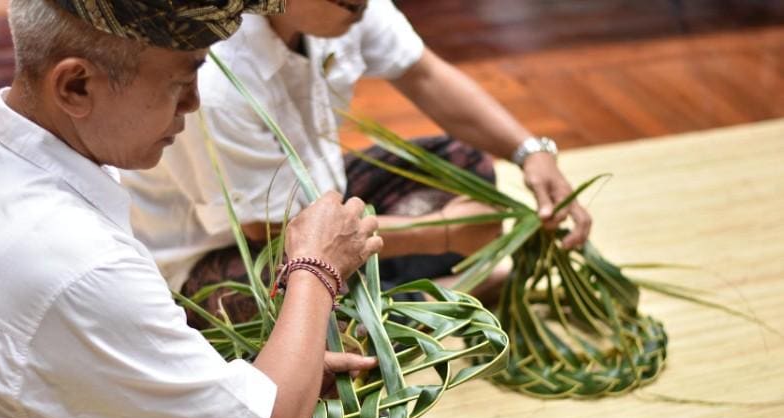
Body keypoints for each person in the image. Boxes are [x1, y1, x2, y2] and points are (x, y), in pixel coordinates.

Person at [0, 1, 389, 418]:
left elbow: (62, 359)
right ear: (75, 86)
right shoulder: (76, 267)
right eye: (181, 80)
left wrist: (275, 370)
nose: (193, 102)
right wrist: (315, 268)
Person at [121, 0, 593, 325]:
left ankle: (390, 289)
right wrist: (441, 231)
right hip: (217, 253)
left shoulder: (347, 6)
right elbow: (266, 229)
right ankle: (420, 297)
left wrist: (531, 152)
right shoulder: (217, 75)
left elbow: (424, 74)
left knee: (465, 166)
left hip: (321, 199)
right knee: (286, 306)